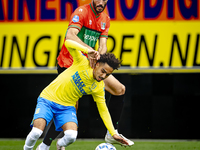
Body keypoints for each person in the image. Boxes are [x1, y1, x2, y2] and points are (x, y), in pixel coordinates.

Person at [37, 0, 134, 149]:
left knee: (119, 89)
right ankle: (46, 145)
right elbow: (70, 36)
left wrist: (99, 61)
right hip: (71, 62)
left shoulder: (105, 19)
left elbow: (103, 45)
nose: (101, 2)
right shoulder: (81, 12)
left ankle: (112, 132)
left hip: (91, 66)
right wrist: (89, 51)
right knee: (69, 108)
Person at [23, 39, 128, 150]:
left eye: (107, 74)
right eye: (103, 71)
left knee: (71, 136)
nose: (103, 76)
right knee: (36, 132)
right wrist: (86, 50)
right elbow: (68, 42)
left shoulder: (98, 87)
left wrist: (113, 133)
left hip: (67, 108)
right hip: (48, 99)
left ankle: (59, 144)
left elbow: (103, 110)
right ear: (96, 64)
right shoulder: (82, 62)